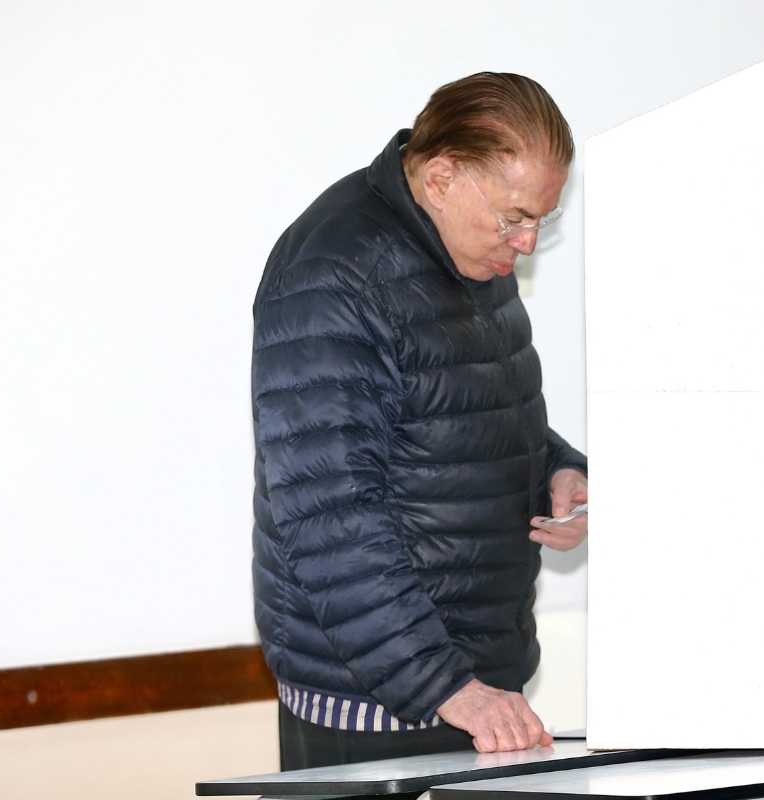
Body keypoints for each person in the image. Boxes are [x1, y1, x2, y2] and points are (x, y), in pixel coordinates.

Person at [250, 72, 588, 770]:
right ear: (440, 178)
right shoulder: (335, 274)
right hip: (379, 697)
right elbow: (330, 512)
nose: (527, 243)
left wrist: (558, 467)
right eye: (514, 217)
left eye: (542, 220)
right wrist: (446, 686)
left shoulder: (469, 251)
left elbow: (458, 416)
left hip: (473, 681)